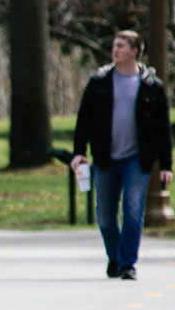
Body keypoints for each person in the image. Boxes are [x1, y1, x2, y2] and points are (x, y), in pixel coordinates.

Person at [71, 30, 173, 281]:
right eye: (114, 45)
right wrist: (78, 152)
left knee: (133, 209)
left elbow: (162, 129)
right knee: (105, 214)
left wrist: (166, 165)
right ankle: (115, 257)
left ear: (135, 51)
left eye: (121, 46)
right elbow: (84, 119)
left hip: (136, 159)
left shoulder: (151, 86)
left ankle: (127, 263)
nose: (114, 50)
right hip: (105, 157)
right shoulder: (100, 82)